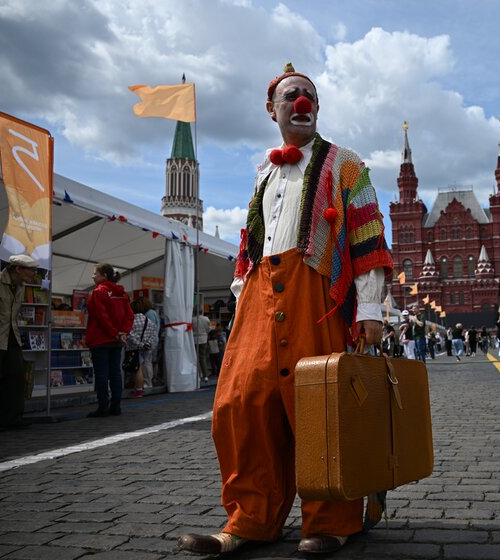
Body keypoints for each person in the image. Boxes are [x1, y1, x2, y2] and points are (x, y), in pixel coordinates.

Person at [178, 63, 393, 556]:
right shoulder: (264, 171)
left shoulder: (346, 164)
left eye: (309, 96)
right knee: (241, 406)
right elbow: (251, 240)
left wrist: (370, 308)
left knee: (320, 408)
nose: (302, 102)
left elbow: (367, 234)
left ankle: (333, 520)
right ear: (271, 109)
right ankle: (251, 517)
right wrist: (242, 296)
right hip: (259, 293)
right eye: (292, 94)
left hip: (315, 294)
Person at [0, 254, 38, 431]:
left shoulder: (20, 286)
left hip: (11, 338)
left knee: (16, 375)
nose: (34, 273)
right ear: (18, 269)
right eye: (31, 270)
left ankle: (10, 418)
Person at [85, 263, 134, 417]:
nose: (93, 276)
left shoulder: (98, 292)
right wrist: (122, 333)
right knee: (115, 373)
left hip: (99, 338)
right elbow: (129, 315)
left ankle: (103, 407)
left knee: (101, 374)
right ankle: (116, 406)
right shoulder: (122, 293)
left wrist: (115, 333)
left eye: (95, 273)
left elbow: (101, 317)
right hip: (116, 341)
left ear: (104, 275)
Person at [127, 298, 158, 398]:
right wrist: (147, 344)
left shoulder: (132, 321)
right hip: (147, 347)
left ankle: (139, 388)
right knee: (146, 364)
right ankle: (145, 384)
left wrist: (139, 344)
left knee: (137, 368)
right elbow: (153, 334)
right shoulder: (149, 321)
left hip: (134, 348)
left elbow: (130, 335)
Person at [139, 297, 160, 387]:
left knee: (146, 361)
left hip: (149, 341)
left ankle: (147, 382)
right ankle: (148, 381)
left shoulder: (149, 314)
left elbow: (149, 328)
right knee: (148, 361)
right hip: (152, 340)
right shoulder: (152, 313)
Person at [192, 309, 212, 382]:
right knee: (203, 357)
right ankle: (205, 375)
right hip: (204, 339)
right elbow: (209, 329)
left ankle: (198, 375)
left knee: (195, 358)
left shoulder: (192, 320)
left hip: (195, 339)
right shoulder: (206, 319)